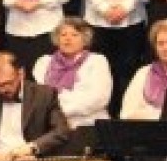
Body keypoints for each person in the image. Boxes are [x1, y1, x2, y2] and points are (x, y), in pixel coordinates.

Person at [33, 18, 112, 153]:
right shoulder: (43, 63)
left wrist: (58, 111)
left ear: (85, 39)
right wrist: (74, 98)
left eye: (74, 35)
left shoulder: (97, 61)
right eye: (63, 34)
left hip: (88, 125)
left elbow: (98, 99)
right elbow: (42, 99)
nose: (68, 39)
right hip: (53, 128)